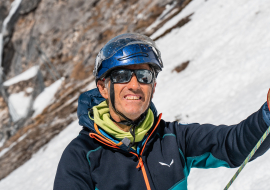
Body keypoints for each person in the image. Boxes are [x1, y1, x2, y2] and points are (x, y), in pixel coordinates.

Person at [54, 33, 270, 190]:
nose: (134, 85)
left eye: (144, 76)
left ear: (153, 87)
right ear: (103, 87)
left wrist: (267, 115)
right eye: (121, 75)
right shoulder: (81, 156)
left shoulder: (173, 138)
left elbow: (234, 145)